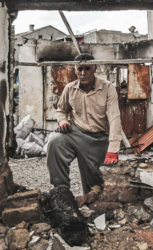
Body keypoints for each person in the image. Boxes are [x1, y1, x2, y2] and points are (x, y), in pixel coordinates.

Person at [46, 53, 122, 195]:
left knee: (95, 185)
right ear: (75, 70)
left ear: (95, 68)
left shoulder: (108, 88)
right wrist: (63, 121)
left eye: (87, 68)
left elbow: (114, 118)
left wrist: (113, 148)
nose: (83, 73)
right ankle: (61, 191)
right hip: (77, 134)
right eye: (79, 69)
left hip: (99, 138)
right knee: (55, 141)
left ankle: (93, 207)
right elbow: (61, 109)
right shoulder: (70, 88)